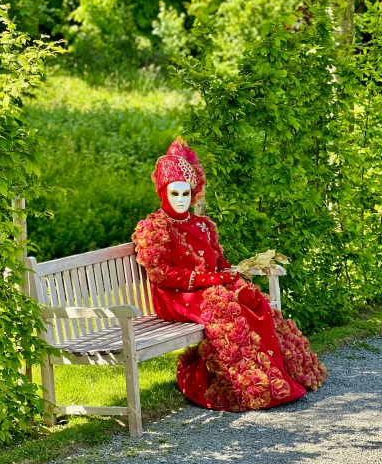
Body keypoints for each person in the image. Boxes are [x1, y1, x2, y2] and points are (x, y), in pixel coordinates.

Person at [132, 138, 327, 412]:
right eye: (174, 194)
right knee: (230, 309)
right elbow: (161, 274)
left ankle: (278, 375)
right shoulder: (155, 226)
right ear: (163, 192)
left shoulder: (202, 224)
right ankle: (248, 385)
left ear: (193, 193)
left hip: (207, 290)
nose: (180, 200)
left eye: (185, 194)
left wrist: (229, 273)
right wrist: (208, 280)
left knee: (252, 298)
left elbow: (219, 261)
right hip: (176, 297)